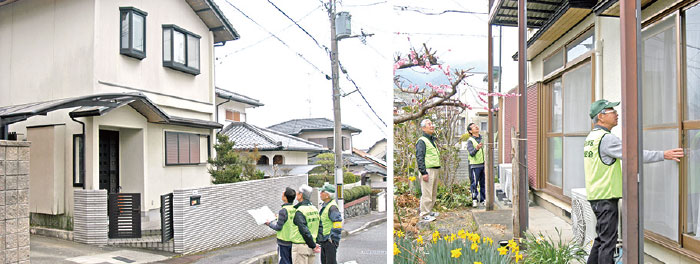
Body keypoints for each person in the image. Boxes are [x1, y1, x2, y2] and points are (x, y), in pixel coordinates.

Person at [584, 99, 684, 264]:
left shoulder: (592, 137)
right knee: (608, 242)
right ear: (601, 117)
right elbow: (633, 154)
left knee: (602, 239)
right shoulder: (606, 139)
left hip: (596, 195)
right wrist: (663, 154)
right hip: (605, 197)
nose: (617, 114)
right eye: (612, 112)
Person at [416, 119, 441, 222]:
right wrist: (423, 172)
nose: (432, 126)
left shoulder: (431, 140)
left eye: (432, 124)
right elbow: (419, 157)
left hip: (434, 169)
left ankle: (429, 210)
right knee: (426, 193)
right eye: (429, 124)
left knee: (432, 193)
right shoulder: (422, 141)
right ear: (423, 128)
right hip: (427, 170)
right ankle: (424, 214)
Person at [265, 187, 297, 264]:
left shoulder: (283, 211)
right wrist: (277, 216)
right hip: (294, 241)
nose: (282, 194)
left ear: (285, 198)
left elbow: (278, 227)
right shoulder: (295, 209)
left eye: (283, 194)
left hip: (284, 241)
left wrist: (269, 223)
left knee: (284, 261)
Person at [290, 184, 321, 264]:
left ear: (301, 195)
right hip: (311, 246)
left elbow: (304, 230)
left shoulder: (300, 211)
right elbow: (320, 227)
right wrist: (315, 244)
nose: (296, 194)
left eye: (298, 193)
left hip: (301, 246)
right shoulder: (314, 209)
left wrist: (313, 245)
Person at [317, 183, 343, 264]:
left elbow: (337, 224)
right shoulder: (326, 206)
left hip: (329, 240)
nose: (320, 194)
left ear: (327, 195)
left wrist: (333, 238)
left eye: (322, 192)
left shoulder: (332, 207)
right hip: (325, 240)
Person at [465, 123, 485, 207]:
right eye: (473, 126)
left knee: (483, 183)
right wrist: (476, 148)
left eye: (476, 125)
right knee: (474, 183)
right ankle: (474, 199)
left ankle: (483, 199)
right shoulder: (470, 141)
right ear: (470, 131)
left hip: (483, 164)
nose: (476, 126)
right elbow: (471, 153)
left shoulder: (482, 138)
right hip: (474, 165)